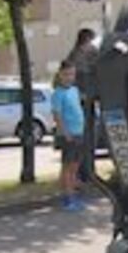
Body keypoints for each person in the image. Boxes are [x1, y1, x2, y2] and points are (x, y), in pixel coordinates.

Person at [51, 61, 86, 212]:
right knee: (68, 167)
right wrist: (65, 132)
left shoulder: (74, 90)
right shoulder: (58, 93)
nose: (69, 77)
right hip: (69, 135)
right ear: (60, 75)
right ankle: (68, 198)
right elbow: (57, 115)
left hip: (79, 132)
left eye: (72, 74)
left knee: (74, 166)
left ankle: (71, 194)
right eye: (66, 74)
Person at [67, 28, 99, 181]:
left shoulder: (73, 54)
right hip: (85, 99)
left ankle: (82, 171)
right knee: (87, 136)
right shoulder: (88, 53)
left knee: (80, 137)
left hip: (76, 101)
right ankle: (86, 172)